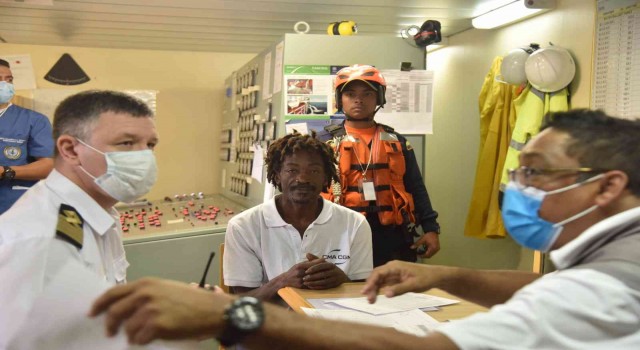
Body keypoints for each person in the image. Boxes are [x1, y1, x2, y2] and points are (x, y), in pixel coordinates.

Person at [91, 109, 640, 349]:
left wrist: (228, 314)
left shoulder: (606, 287)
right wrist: (442, 275)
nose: (516, 187)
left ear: (608, 185)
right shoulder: (612, 257)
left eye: (535, 173)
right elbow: (546, 288)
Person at [0, 90, 158, 347]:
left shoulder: (99, 214)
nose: (144, 157)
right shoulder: (40, 239)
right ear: (70, 149)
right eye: (127, 143)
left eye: (150, 145)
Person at [223, 132, 373, 301]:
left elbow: (363, 293)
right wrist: (283, 282)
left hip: (331, 324)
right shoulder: (243, 226)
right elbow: (241, 301)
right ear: (278, 174)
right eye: (292, 170)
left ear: (325, 178)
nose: (302, 178)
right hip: (274, 324)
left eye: (314, 170)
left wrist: (342, 281)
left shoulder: (355, 223)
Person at [322, 64, 440, 266]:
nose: (359, 100)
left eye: (367, 94)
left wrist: (430, 228)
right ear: (339, 99)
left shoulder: (397, 142)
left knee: (393, 292)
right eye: (350, 94)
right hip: (340, 231)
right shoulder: (323, 143)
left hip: (392, 235)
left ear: (379, 98)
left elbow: (415, 185)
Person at [0, 58, 54, 214]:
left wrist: (5, 171)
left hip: (14, 208)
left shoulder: (34, 120)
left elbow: (48, 166)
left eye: (9, 80)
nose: (5, 84)